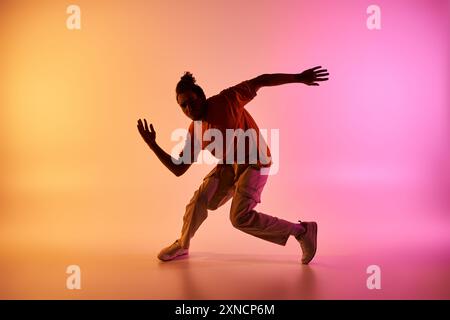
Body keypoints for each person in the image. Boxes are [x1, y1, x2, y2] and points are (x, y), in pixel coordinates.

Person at [137, 66, 329, 264]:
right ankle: (183, 244)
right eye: (183, 106)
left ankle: (302, 231)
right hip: (230, 166)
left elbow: (261, 80)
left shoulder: (227, 99)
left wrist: (298, 77)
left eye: (192, 102)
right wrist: (153, 145)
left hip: (256, 161)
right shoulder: (195, 129)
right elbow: (179, 169)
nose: (189, 109)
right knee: (201, 199)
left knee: (239, 218)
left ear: (202, 97)